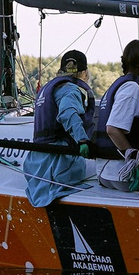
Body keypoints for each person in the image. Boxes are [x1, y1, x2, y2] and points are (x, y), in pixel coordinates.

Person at [24, 50, 97, 207]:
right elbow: (68, 113)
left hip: (36, 163)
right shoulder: (70, 90)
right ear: (84, 72)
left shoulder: (48, 88)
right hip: (58, 163)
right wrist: (83, 139)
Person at [90, 39, 139, 187]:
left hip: (107, 172)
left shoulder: (119, 85)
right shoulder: (132, 88)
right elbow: (113, 129)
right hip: (122, 174)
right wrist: (132, 158)